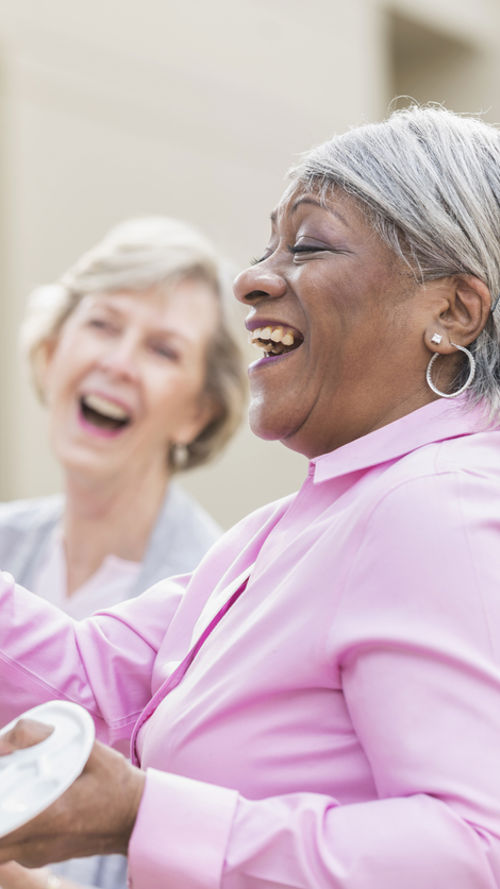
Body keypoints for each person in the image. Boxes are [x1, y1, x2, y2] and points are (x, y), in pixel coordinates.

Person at [1, 103, 500, 889]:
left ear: (451, 311)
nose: (252, 277)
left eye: (307, 244)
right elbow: (90, 683)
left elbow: (474, 852)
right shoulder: (284, 529)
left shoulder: (438, 503)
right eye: (271, 242)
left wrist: (142, 815)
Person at [0, 216, 246, 889]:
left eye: (163, 350)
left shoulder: (214, 608)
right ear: (53, 351)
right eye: (103, 325)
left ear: (197, 412)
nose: (117, 362)